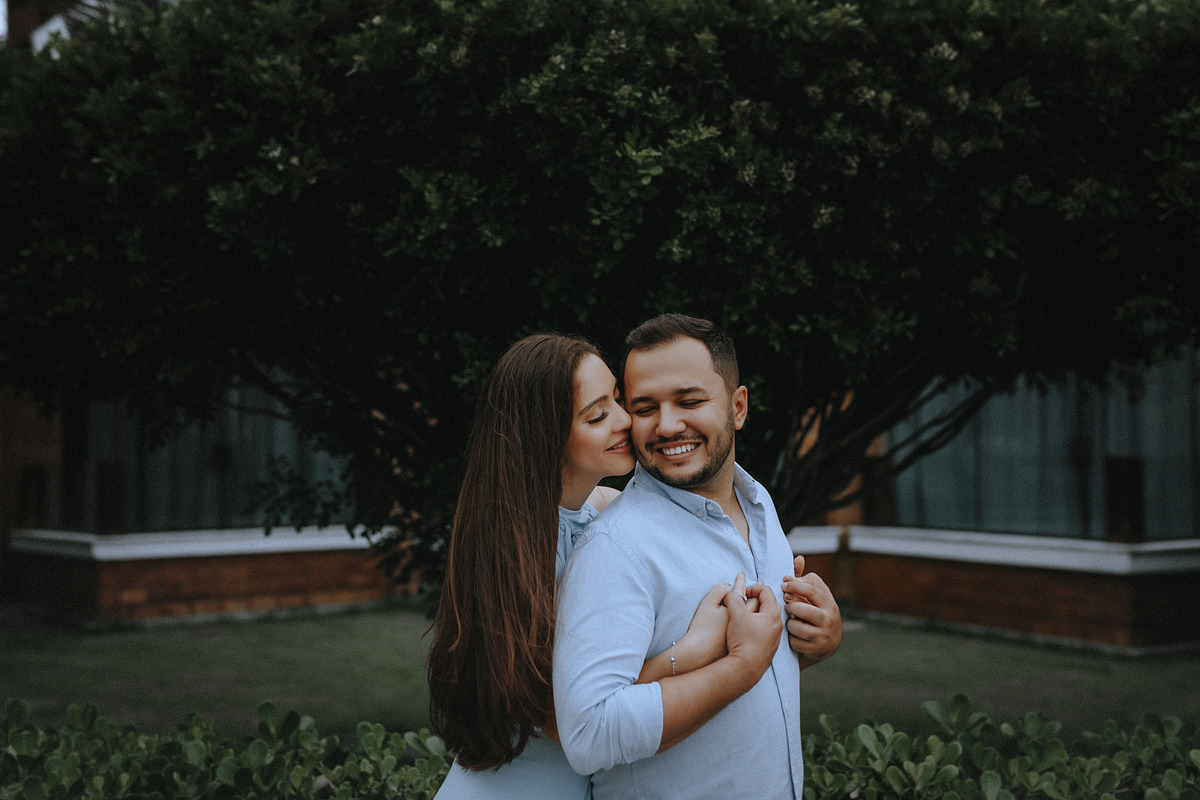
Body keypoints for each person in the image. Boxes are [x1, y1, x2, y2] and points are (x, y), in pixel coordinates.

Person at [428, 333, 740, 799]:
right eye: (597, 415)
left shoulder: (599, 512)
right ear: (545, 438)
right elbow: (570, 718)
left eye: (617, 399)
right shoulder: (526, 555)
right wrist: (690, 653)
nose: (624, 420)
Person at [553, 313, 843, 799]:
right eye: (645, 407)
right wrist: (741, 666)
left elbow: (756, 653)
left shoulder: (760, 503)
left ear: (738, 407)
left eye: (689, 401)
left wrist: (815, 641)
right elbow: (589, 734)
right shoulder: (616, 548)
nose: (667, 425)